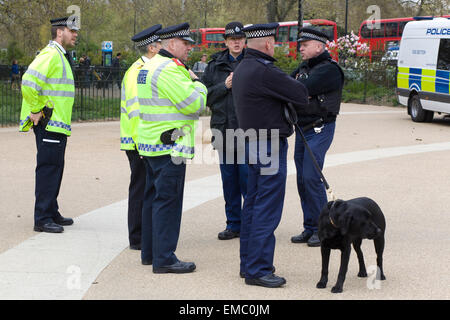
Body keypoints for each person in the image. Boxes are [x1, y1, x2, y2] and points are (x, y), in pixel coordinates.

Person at [233, 23, 309, 288]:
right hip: (268, 145)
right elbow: (301, 94)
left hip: (251, 142)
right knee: (267, 207)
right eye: (273, 43)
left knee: (253, 204)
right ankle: (259, 269)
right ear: (267, 44)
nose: (274, 47)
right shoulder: (264, 70)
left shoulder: (242, 68)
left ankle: (249, 264)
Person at [136, 23, 207, 273]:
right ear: (172, 43)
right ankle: (164, 259)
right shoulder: (171, 69)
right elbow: (194, 104)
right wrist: (199, 84)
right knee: (168, 202)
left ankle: (150, 253)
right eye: (186, 44)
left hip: (151, 143)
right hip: (170, 147)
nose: (189, 49)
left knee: (152, 199)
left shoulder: (149, 65)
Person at [19, 16, 79, 233]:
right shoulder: (51, 54)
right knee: (48, 169)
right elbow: (28, 81)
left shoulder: (59, 55)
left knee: (55, 168)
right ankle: (42, 218)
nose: (75, 35)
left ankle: (51, 211)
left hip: (57, 123)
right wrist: (35, 109)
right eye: (72, 31)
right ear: (59, 32)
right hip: (50, 122)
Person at [289, 28, 344, 247]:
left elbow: (301, 88)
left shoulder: (329, 70)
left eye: (305, 44)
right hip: (303, 128)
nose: (300, 48)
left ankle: (325, 230)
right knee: (302, 179)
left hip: (320, 128)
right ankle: (310, 226)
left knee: (311, 177)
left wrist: (296, 89)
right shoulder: (304, 67)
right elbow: (290, 86)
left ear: (319, 46)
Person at [202, 21, 248, 241]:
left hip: (248, 131)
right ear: (226, 42)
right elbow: (204, 96)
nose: (236, 42)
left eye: (239, 39)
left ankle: (250, 223)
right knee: (229, 181)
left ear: (245, 40)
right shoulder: (214, 65)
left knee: (249, 180)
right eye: (232, 39)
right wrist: (225, 86)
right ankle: (233, 224)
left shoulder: (253, 61)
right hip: (224, 130)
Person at [120, 24, 162, 251]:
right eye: (161, 44)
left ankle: (141, 235)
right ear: (153, 47)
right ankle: (138, 237)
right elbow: (137, 111)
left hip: (139, 140)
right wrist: (143, 144)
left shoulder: (144, 69)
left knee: (143, 187)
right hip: (139, 142)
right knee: (140, 188)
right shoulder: (139, 72)